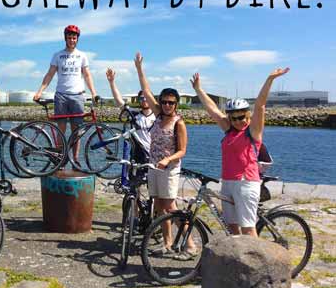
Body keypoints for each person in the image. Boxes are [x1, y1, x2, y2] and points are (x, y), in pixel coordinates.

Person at [190, 67, 290, 237]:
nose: (238, 121)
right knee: (232, 228)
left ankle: (255, 262)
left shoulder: (253, 132)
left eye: (241, 117)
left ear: (247, 116)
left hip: (246, 182)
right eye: (234, 118)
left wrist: (270, 79)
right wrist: (198, 89)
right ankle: (236, 262)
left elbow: (260, 105)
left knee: (248, 229)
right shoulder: (229, 131)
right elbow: (212, 110)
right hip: (228, 182)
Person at [135, 52, 194, 259]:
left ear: (176, 104)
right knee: (160, 206)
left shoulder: (179, 122)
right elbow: (146, 89)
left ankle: (190, 244)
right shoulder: (158, 115)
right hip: (154, 166)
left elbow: (183, 150)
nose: (168, 105)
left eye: (171, 102)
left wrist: (167, 160)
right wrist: (139, 68)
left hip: (169, 168)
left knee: (170, 205)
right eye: (165, 102)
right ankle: (168, 243)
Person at [33, 25, 97, 163]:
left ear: (77, 39)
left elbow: (87, 75)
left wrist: (93, 92)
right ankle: (59, 159)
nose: (72, 40)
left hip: (77, 96)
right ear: (65, 38)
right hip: (61, 95)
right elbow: (49, 74)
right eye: (69, 37)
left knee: (77, 131)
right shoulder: (57, 55)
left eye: (74, 38)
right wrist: (39, 91)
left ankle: (75, 160)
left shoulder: (82, 56)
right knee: (60, 131)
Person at [106, 67, 155, 165]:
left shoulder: (158, 116)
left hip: (155, 155)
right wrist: (111, 83)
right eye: (141, 98)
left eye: (146, 98)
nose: (144, 100)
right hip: (138, 155)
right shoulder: (135, 114)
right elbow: (120, 102)